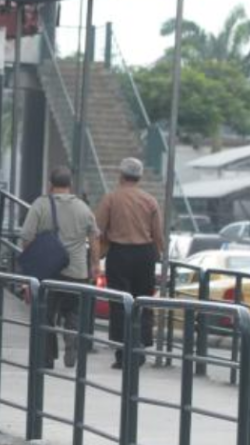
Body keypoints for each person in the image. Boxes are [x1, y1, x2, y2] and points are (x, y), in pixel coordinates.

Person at [20, 166, 101, 369]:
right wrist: (95, 265)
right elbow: (94, 237)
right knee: (73, 311)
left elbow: (27, 237)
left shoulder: (40, 205)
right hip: (77, 272)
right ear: (70, 185)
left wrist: (32, 264)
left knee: (46, 314)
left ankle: (46, 358)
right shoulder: (83, 208)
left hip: (49, 273)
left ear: (50, 185)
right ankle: (72, 337)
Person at [96, 157, 165, 369]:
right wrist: (161, 257)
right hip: (145, 255)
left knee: (120, 303)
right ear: (140, 176)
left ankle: (122, 352)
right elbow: (158, 235)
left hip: (119, 254)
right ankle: (140, 347)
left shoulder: (111, 199)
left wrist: (98, 256)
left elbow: (99, 229)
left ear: (120, 174)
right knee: (142, 301)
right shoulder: (150, 201)